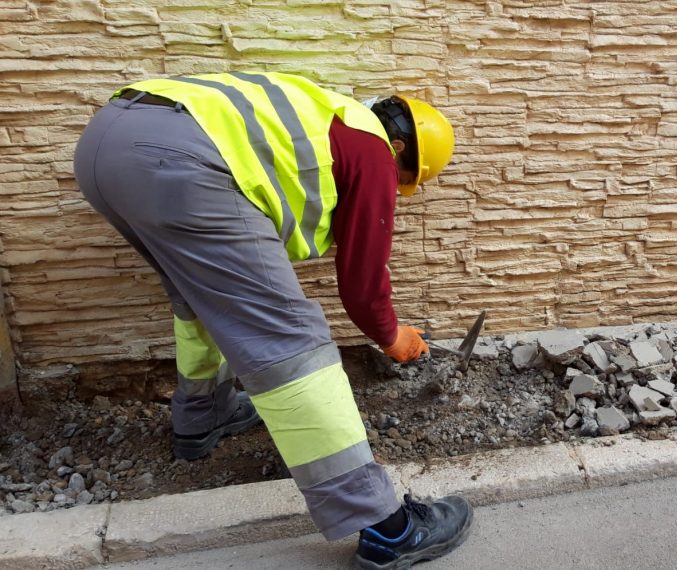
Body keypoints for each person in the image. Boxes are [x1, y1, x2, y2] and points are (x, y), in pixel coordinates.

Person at [72, 72, 472, 569]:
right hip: (180, 160)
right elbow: (363, 289)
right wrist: (395, 337)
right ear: (399, 147)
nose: (395, 187)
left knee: (197, 301)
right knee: (288, 339)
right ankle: (388, 528)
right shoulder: (371, 149)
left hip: (107, 147)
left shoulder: (328, 117)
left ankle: (202, 418)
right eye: (403, 177)